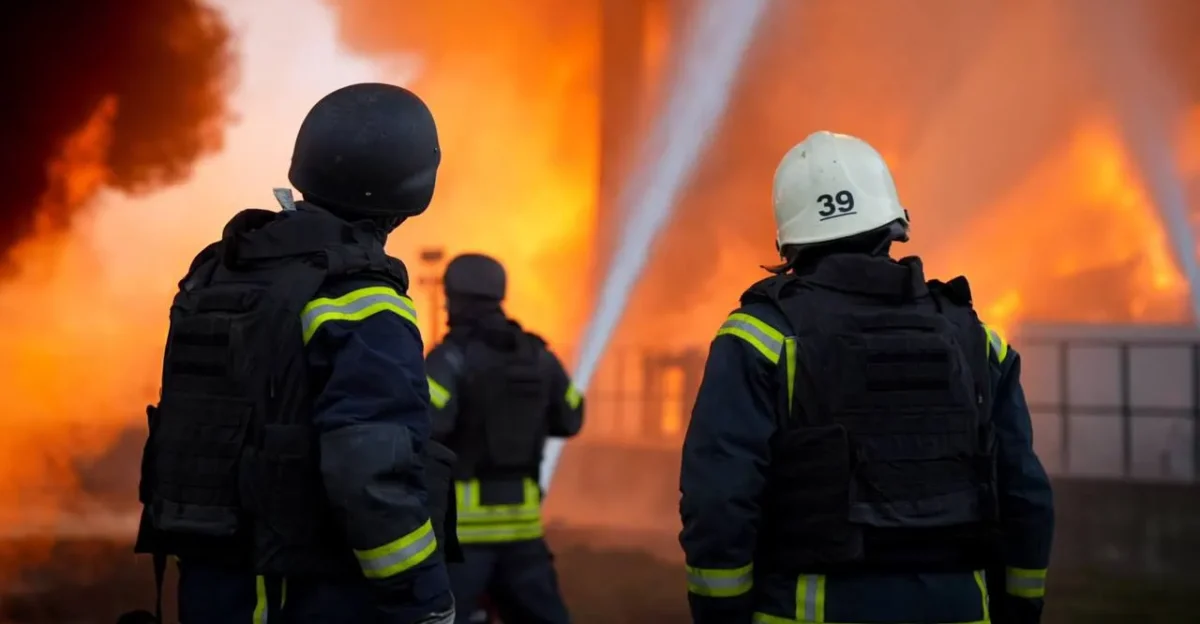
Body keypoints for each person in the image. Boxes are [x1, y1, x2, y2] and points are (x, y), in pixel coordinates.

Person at [679, 131, 1054, 624]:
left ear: (789, 238)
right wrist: (1020, 609)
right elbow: (1025, 495)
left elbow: (719, 499)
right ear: (893, 222)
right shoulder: (976, 341)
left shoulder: (759, 339)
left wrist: (721, 614)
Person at [132, 83, 458, 624]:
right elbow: (371, 472)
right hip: (302, 590)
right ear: (412, 185)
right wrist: (423, 600)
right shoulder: (361, 300)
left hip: (213, 578)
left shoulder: (222, 271)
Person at [424, 253, 584, 624]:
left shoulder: (448, 360)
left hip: (463, 539)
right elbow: (571, 417)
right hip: (523, 534)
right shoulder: (539, 357)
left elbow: (423, 428)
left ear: (454, 299)